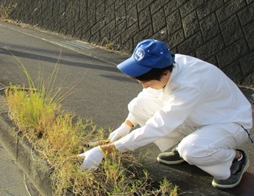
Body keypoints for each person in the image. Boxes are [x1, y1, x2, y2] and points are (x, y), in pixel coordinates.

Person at [79, 39, 253, 189]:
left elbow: (158, 126)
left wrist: (106, 150)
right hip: (201, 116)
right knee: (138, 104)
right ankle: (190, 144)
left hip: (229, 123)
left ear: (165, 74)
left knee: (191, 150)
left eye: (146, 82)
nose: (144, 86)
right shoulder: (168, 63)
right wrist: (126, 126)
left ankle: (234, 159)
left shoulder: (189, 84)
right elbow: (148, 97)